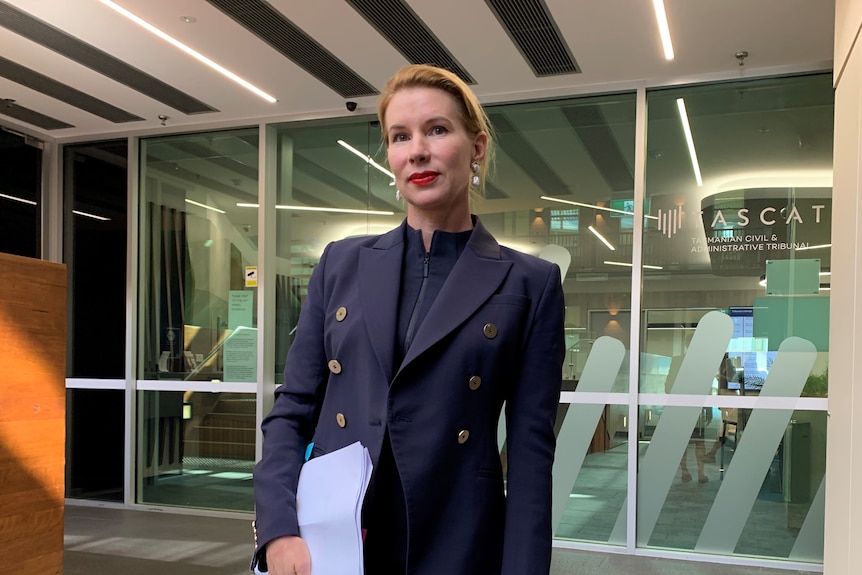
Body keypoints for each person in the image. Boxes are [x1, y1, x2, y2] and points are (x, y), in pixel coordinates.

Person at [251, 64, 566, 575]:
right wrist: (279, 529)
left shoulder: (530, 283)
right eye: (400, 136)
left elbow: (531, 454)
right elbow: (293, 410)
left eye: (437, 130)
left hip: (458, 540)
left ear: (477, 147)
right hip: (335, 537)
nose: (416, 149)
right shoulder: (340, 264)